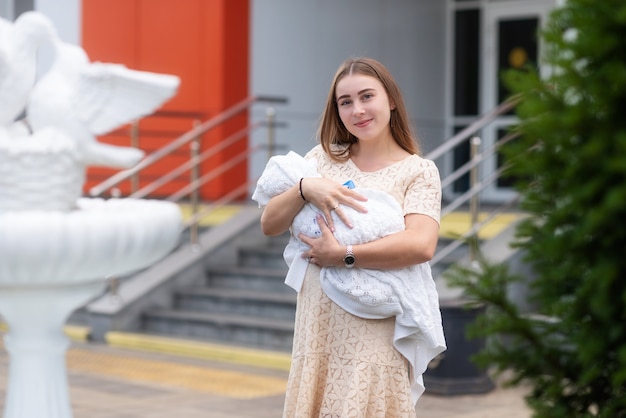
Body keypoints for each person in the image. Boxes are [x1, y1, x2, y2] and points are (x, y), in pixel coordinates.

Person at [257, 57, 445, 417]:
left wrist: (343, 253)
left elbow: (421, 244)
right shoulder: (321, 161)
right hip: (318, 331)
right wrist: (304, 187)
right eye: (345, 102)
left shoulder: (418, 172)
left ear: (390, 99)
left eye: (366, 96)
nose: (357, 109)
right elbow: (270, 223)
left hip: (374, 332)